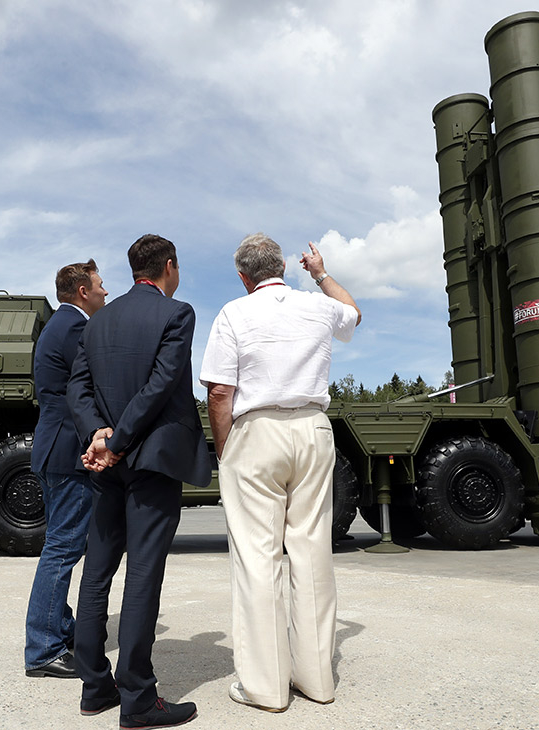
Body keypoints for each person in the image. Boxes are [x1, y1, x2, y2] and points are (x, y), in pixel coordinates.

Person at [199, 233, 360, 712]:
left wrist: (227, 451)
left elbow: (220, 392)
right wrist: (322, 273)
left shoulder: (234, 312)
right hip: (313, 428)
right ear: (284, 267)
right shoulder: (315, 306)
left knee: (258, 557)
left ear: (243, 276)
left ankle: (265, 687)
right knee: (311, 551)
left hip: (257, 429)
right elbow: (353, 314)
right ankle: (317, 680)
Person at [66, 234, 213, 729]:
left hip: (108, 462)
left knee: (97, 570)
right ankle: (138, 698)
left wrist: (98, 434)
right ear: (169, 265)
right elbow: (162, 383)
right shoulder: (177, 313)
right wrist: (121, 439)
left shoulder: (98, 320)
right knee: (143, 574)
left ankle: (94, 686)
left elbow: (77, 386)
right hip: (149, 460)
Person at [24, 260, 109, 679]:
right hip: (66, 452)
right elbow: (92, 385)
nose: (104, 292)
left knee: (62, 545)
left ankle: (58, 628)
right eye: (99, 285)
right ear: (81, 291)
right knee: (62, 549)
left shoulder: (57, 326)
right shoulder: (76, 328)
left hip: (52, 446)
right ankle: (42, 649)